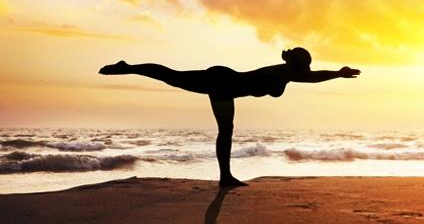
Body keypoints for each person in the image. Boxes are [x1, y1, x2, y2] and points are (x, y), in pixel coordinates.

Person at [99, 47, 360, 187]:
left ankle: (225, 176)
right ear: (296, 65)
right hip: (222, 82)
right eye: (305, 66)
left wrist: (338, 73)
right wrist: (337, 73)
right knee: (174, 77)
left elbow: (314, 76)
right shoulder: (284, 73)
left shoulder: (288, 73)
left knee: (222, 126)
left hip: (226, 84)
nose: (308, 70)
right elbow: (314, 77)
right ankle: (129, 67)